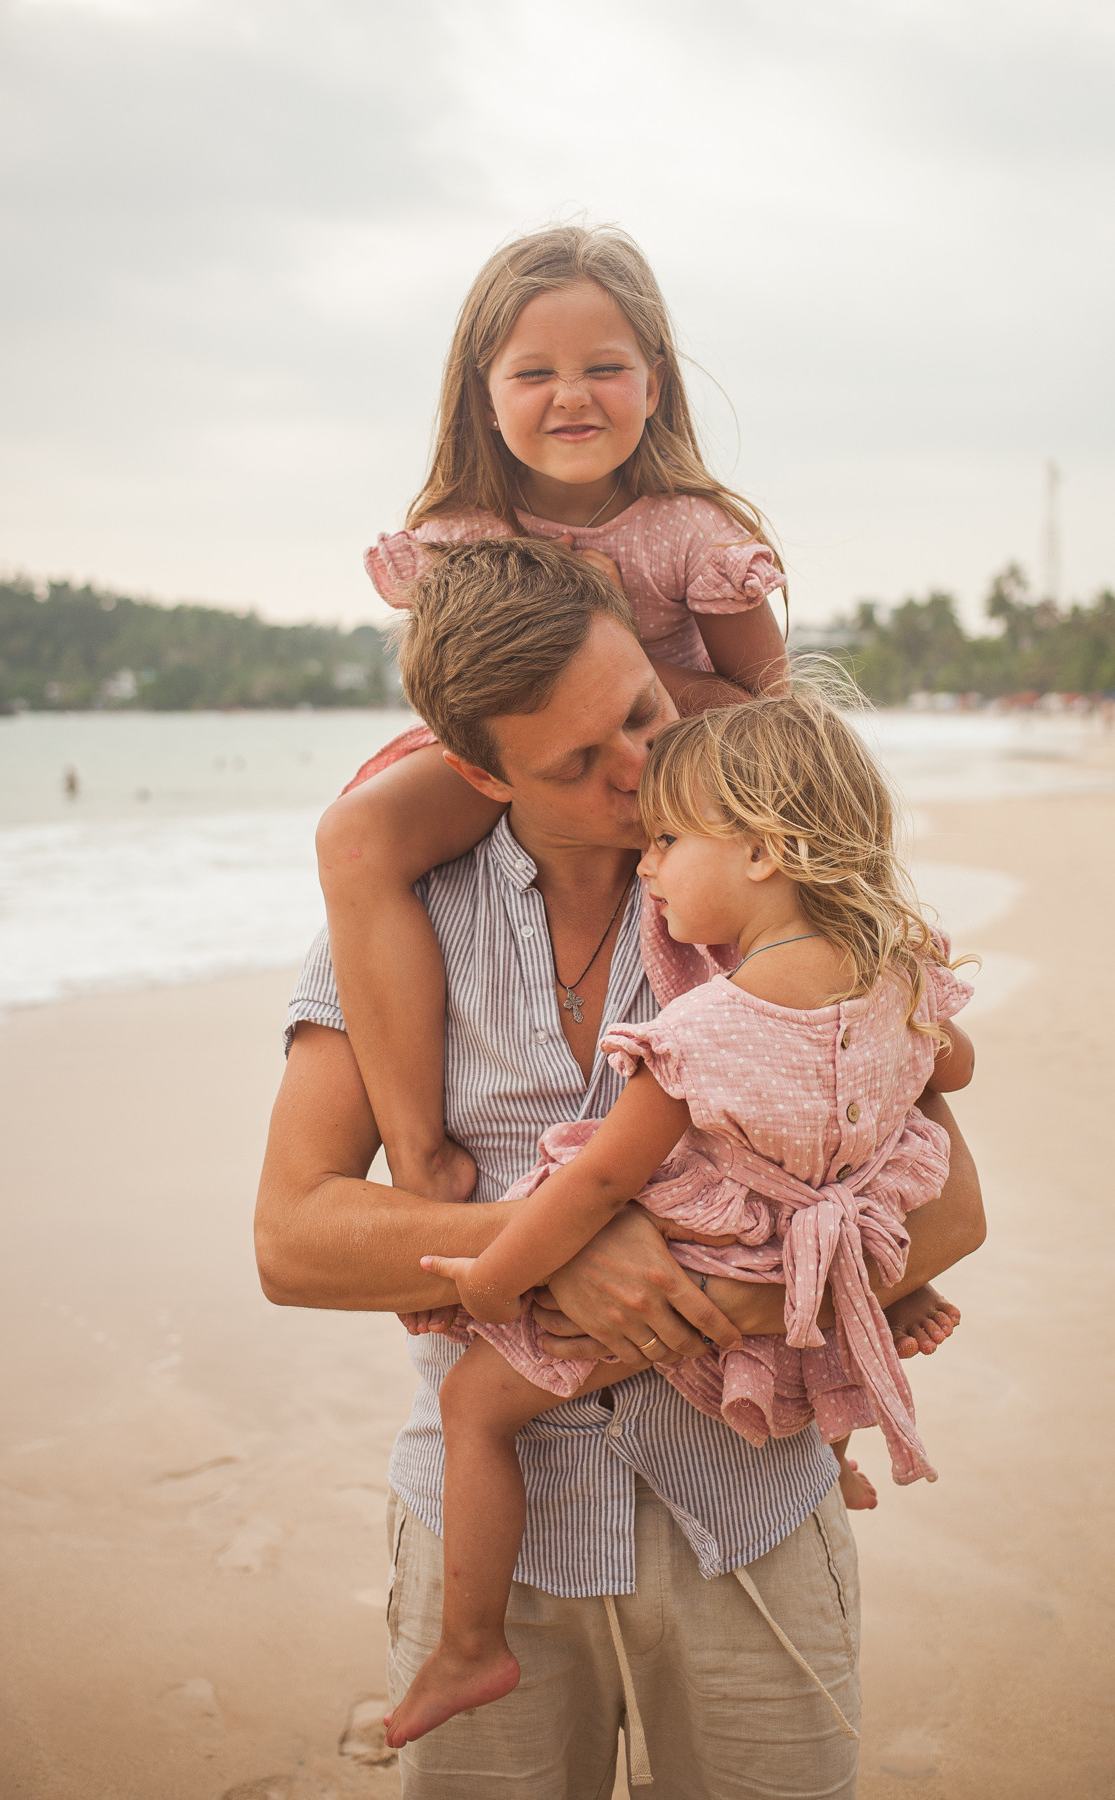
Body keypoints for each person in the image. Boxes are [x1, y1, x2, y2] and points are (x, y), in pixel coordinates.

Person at [256, 538, 983, 1799]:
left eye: (642, 716)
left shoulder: (782, 907)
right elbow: (293, 1238)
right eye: (577, 765)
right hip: (490, 1537)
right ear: (478, 771)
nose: (641, 772)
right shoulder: (398, 926)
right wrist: (559, 1243)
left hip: (749, 1515)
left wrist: (741, 1300)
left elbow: (956, 1206)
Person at [381, 683, 975, 1750]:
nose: (649, 868)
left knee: (476, 1405)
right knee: (850, 1202)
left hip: (713, 1253)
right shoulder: (898, 979)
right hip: (829, 1224)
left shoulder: (704, 1028)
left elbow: (601, 1186)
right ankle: (827, 1426)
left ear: (760, 852)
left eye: (667, 841)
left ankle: (471, 1644)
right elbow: (950, 1063)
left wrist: (489, 1282)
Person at [317, 223, 793, 1210]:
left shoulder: (695, 535)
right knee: (356, 837)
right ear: (483, 396)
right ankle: (418, 1150)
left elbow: (772, 712)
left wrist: (633, 667)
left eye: (604, 368)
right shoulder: (456, 536)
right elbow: (456, 696)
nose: (571, 395)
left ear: (654, 384)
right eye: (533, 372)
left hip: (674, 757)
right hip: (519, 760)